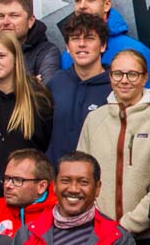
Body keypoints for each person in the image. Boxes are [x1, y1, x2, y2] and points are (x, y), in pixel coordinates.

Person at [75, 48, 150, 245]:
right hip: (97, 233)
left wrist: (129, 224)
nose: (124, 80)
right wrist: (99, 221)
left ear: (145, 78)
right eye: (118, 74)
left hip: (146, 235)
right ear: (110, 76)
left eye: (132, 74)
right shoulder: (95, 119)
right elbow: (80, 175)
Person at [0, 29, 52, 204]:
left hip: (27, 201)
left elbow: (46, 147)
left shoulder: (38, 99)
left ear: (15, 58)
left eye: (1, 56)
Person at [59, 0, 150, 93]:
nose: (82, 6)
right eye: (77, 0)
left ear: (107, 5)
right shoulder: (69, 55)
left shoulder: (137, 51)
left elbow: (149, 101)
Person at [46, 12, 114, 162]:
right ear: (67, 47)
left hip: (98, 173)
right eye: (75, 38)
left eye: (89, 38)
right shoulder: (56, 82)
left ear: (103, 46)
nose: (81, 44)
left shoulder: (115, 86)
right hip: (55, 173)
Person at [0, 147, 55, 241]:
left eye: (18, 180)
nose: (8, 185)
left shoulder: (57, 215)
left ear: (41, 186)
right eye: (7, 178)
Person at [0, 0, 63, 82]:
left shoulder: (46, 52)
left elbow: (46, 89)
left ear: (30, 21)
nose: (5, 22)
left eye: (13, 16)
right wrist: (30, 83)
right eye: (0, 16)